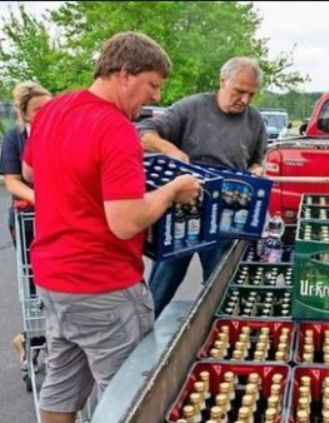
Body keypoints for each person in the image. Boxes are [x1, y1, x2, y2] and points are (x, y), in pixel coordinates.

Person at [22, 32, 201, 423]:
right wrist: (172, 190)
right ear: (124, 74)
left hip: (54, 279)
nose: (155, 96)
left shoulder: (53, 109)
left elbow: (30, 171)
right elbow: (125, 223)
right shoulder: (115, 128)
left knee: (61, 385)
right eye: (152, 84)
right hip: (103, 285)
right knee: (129, 398)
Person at [137, 56, 268, 317]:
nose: (245, 100)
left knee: (221, 290)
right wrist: (170, 149)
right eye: (239, 91)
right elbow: (143, 131)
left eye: (251, 94)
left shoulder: (254, 120)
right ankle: (141, 339)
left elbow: (257, 160)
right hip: (183, 210)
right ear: (223, 81)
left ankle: (217, 340)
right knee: (162, 285)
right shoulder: (192, 107)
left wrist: (256, 172)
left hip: (225, 213)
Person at [1, 81, 52, 373]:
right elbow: (12, 180)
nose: (45, 113)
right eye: (38, 109)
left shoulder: (62, 135)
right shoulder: (16, 137)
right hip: (28, 217)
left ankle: (36, 338)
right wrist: (40, 198)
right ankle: (31, 338)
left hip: (58, 216)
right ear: (25, 114)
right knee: (35, 283)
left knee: (58, 281)